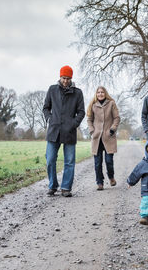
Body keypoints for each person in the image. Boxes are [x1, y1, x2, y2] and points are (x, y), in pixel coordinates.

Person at [43, 65, 85, 197]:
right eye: (63, 78)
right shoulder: (52, 89)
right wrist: (50, 119)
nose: (65, 81)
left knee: (69, 161)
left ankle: (66, 187)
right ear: (60, 77)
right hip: (54, 131)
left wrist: (74, 124)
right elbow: (46, 108)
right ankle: (53, 185)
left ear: (71, 78)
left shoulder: (77, 93)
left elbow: (81, 112)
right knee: (50, 159)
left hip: (69, 131)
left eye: (68, 78)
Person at [86, 86, 120, 190]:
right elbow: (89, 119)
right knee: (97, 163)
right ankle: (99, 182)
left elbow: (117, 118)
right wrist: (92, 130)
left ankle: (111, 177)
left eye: (102, 92)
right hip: (97, 138)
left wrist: (112, 129)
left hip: (108, 136)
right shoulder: (93, 105)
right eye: (98, 92)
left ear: (105, 93)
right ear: (96, 94)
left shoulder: (111, 103)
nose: (100, 94)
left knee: (109, 161)